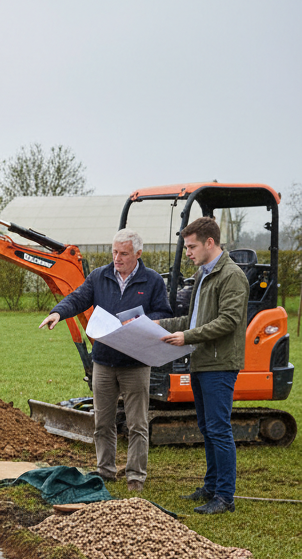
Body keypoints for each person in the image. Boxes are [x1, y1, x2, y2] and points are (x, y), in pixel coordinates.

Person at [39, 230, 171, 491]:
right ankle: (105, 470)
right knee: (102, 421)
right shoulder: (100, 276)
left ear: (138, 254)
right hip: (103, 361)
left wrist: (144, 322)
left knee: (137, 423)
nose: (117, 258)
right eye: (114, 252)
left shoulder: (153, 281)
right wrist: (58, 313)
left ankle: (135, 476)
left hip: (135, 362)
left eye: (123, 253)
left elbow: (163, 313)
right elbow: (78, 298)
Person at [159, 217, 248, 515]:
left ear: (210, 243)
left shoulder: (231, 276)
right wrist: (158, 325)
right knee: (207, 427)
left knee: (219, 429)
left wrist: (187, 336)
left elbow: (228, 321)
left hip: (219, 363)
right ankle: (211, 487)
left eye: (192, 246)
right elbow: (192, 321)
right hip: (200, 360)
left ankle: (225, 497)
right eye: (186, 247)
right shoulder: (203, 275)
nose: (188, 252)